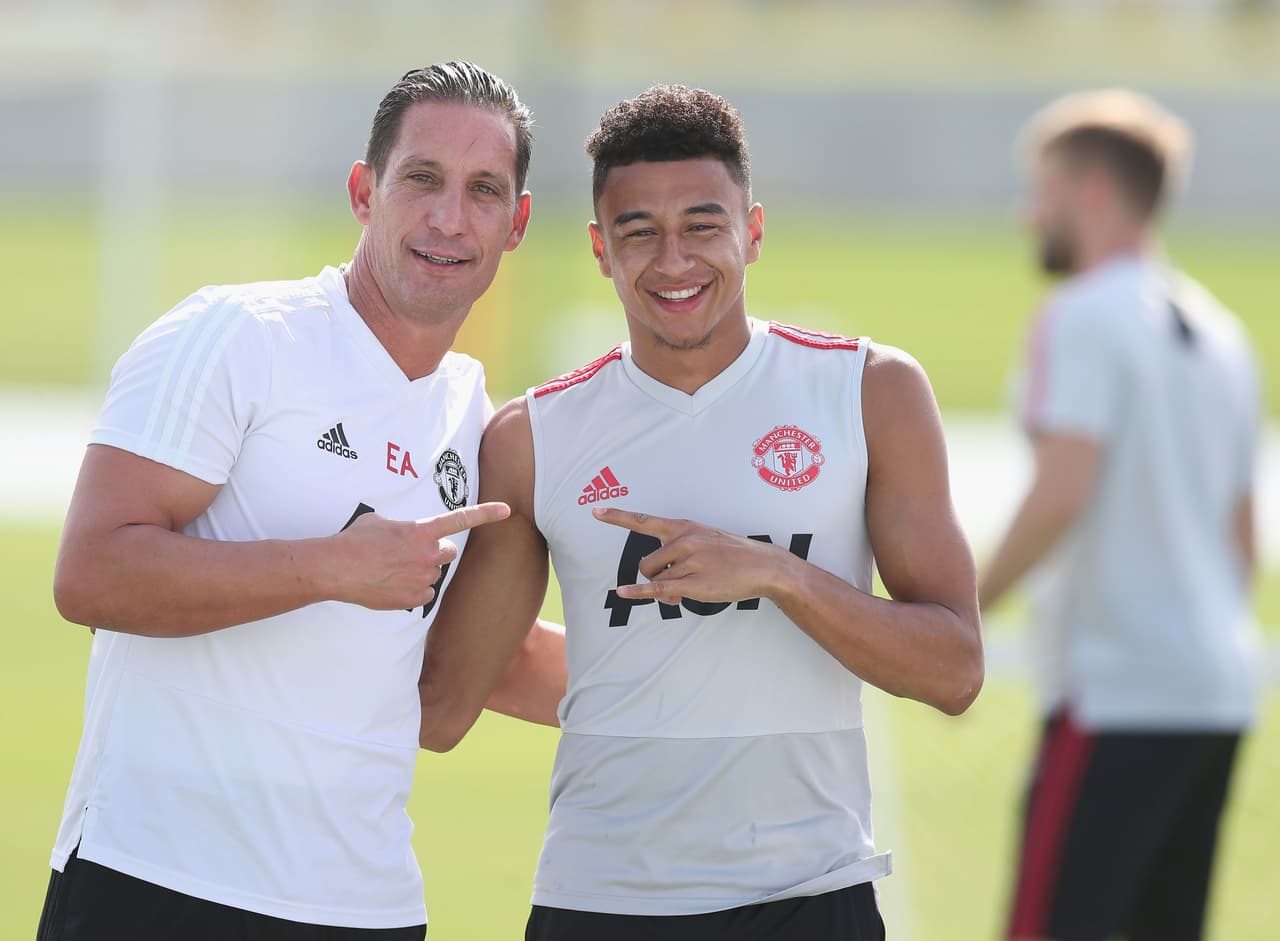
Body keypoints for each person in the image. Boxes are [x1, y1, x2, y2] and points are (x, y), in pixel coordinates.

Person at [417, 84, 984, 940]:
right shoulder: (534, 437)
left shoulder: (870, 391)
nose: (673, 260)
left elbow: (955, 669)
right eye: (639, 231)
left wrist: (779, 576)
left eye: (703, 226)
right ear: (600, 249)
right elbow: (448, 702)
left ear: (752, 231)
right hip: (601, 902)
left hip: (811, 895)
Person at [40, 61, 566, 941]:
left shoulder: (474, 416)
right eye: (422, 179)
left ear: (515, 225)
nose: (449, 218)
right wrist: (331, 565)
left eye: (484, 191)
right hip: (159, 883)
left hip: (366, 909)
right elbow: (92, 575)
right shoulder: (237, 337)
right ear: (365, 191)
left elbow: (471, 663)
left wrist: (703, 670)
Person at [979, 89, 1261, 941]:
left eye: (1045, 190)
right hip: (1218, 688)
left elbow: (1063, 488)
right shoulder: (1221, 329)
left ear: (1092, 191)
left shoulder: (1083, 316)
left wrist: (960, 604)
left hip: (1118, 688)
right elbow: (1242, 536)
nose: (1033, 213)